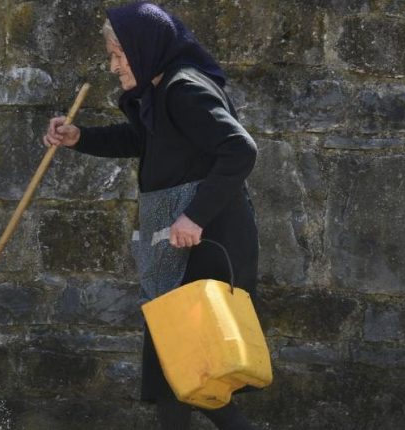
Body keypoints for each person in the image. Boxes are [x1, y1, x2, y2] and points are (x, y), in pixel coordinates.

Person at [43, 3, 259, 429]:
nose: (113, 66)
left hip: (204, 244)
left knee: (191, 368)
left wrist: (193, 217)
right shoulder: (159, 92)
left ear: (145, 48)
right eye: (112, 55)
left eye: (119, 54)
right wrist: (79, 137)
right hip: (183, 244)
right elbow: (143, 140)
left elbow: (240, 150)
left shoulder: (185, 88)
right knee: (179, 369)